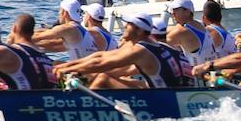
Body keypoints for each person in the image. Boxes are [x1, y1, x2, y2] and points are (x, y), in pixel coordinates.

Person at [61, 14, 194, 89]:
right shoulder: (160, 47)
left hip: (166, 99)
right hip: (174, 93)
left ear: (140, 31)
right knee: (98, 75)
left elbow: (100, 63)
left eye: (129, 24)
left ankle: (83, 108)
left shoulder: (140, 51)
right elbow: (101, 56)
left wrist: (67, 70)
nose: (124, 26)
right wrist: (66, 66)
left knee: (102, 78)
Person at [32, 0, 115, 59]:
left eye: (85, 13)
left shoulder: (92, 32)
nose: (83, 16)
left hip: (96, 73)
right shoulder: (105, 33)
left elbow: (55, 43)